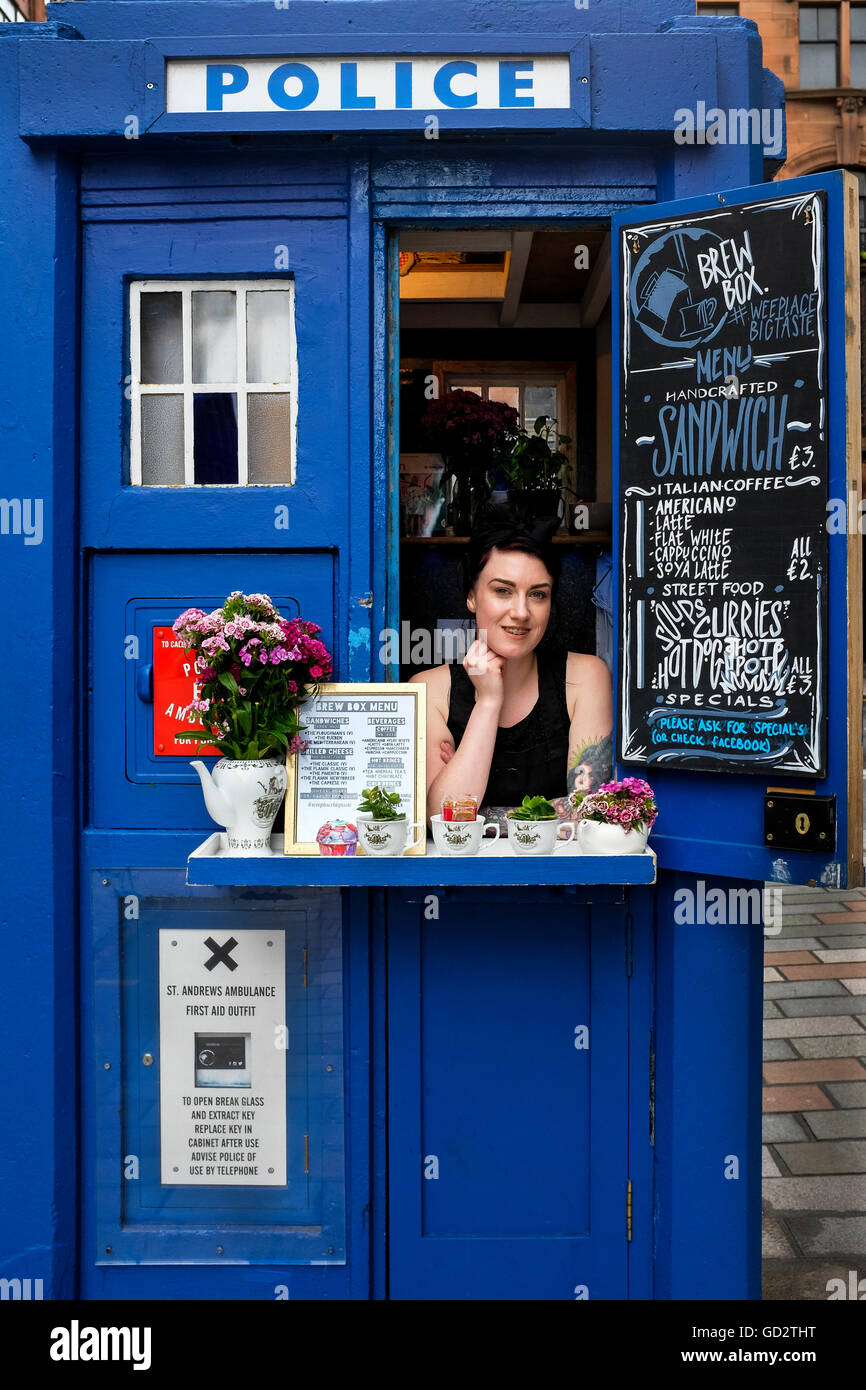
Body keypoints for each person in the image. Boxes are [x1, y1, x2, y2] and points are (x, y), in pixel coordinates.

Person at [409, 522, 613, 828]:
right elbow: (441, 819)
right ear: (472, 597)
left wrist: (481, 812)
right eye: (503, 591)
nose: (521, 612)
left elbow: (591, 811)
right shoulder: (428, 690)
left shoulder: (585, 677)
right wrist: (489, 702)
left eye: (538, 595)